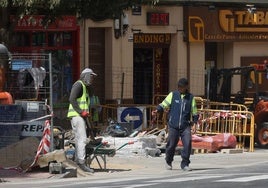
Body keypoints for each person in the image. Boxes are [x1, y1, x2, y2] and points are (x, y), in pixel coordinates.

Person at [151, 78, 199, 171]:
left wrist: (194, 123)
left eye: (181, 87)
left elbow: (194, 112)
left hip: (185, 126)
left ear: (186, 87)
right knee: (171, 145)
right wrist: (157, 110)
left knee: (188, 143)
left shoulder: (190, 98)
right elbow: (163, 104)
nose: (179, 88)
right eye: (178, 86)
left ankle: (185, 164)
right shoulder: (173, 95)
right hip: (173, 125)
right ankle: (168, 161)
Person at [67, 68, 97, 173]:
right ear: (86, 76)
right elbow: (72, 99)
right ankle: (81, 162)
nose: (92, 79)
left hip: (79, 116)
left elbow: (90, 96)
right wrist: (81, 111)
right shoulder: (78, 85)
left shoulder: (84, 87)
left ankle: (77, 161)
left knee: (79, 139)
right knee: (82, 139)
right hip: (77, 116)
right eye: (91, 76)